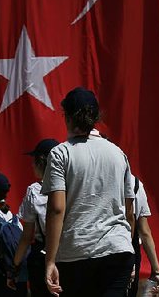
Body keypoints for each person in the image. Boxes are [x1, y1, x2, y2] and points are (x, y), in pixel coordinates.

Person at [42, 87, 136, 297]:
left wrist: (49, 260)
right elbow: (129, 211)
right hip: (118, 249)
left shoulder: (61, 153)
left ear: (66, 116)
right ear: (96, 117)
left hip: (77, 252)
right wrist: (127, 247)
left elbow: (57, 209)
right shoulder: (118, 153)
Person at [11, 138, 58, 295]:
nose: (31, 165)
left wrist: (15, 265)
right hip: (70, 254)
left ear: (41, 162)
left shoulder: (35, 191)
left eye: (34, 161)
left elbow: (27, 236)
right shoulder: (72, 187)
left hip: (42, 257)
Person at [127, 176, 159, 296]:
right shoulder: (133, 183)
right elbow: (144, 231)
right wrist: (156, 271)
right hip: (128, 250)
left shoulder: (91, 176)